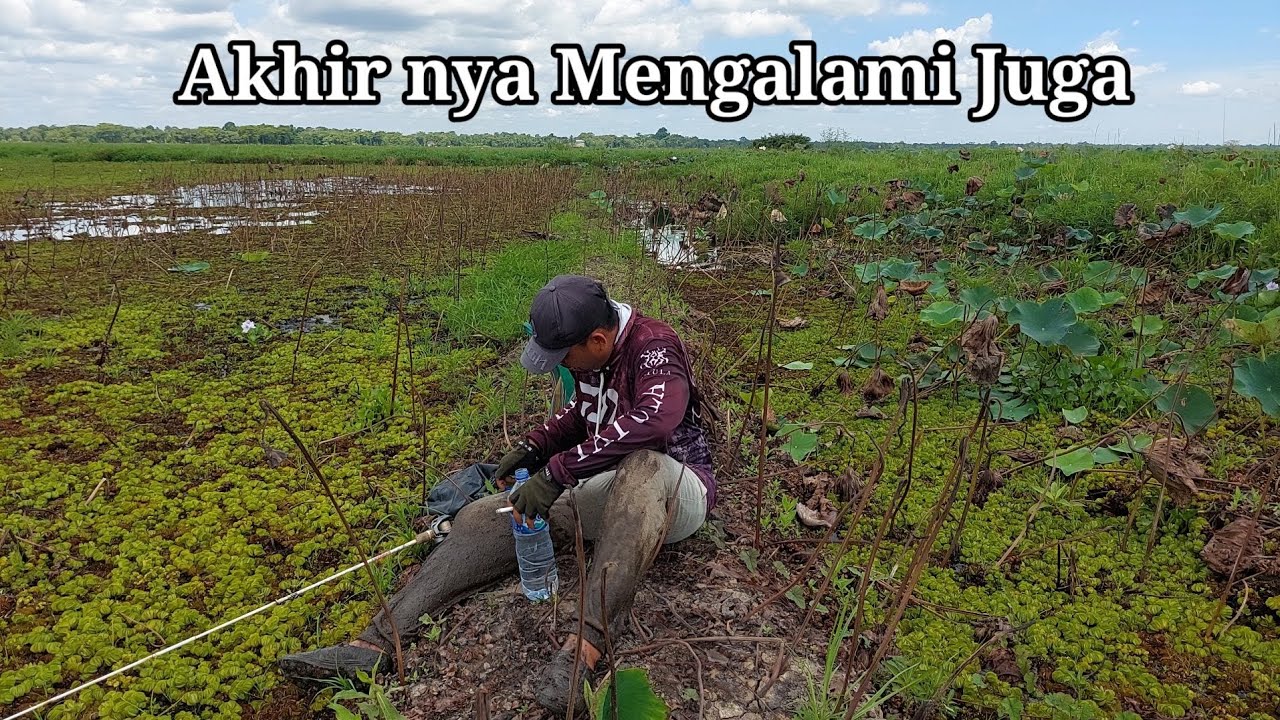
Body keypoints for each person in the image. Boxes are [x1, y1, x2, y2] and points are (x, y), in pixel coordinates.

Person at [279, 274, 716, 715]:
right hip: (608, 485)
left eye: (566, 358)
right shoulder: (591, 362)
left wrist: (558, 472)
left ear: (599, 340)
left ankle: (586, 647)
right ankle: (374, 645)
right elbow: (582, 415)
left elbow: (657, 419)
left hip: (675, 489)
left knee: (644, 466)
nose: (566, 368)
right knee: (485, 515)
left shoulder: (653, 345)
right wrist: (535, 445)